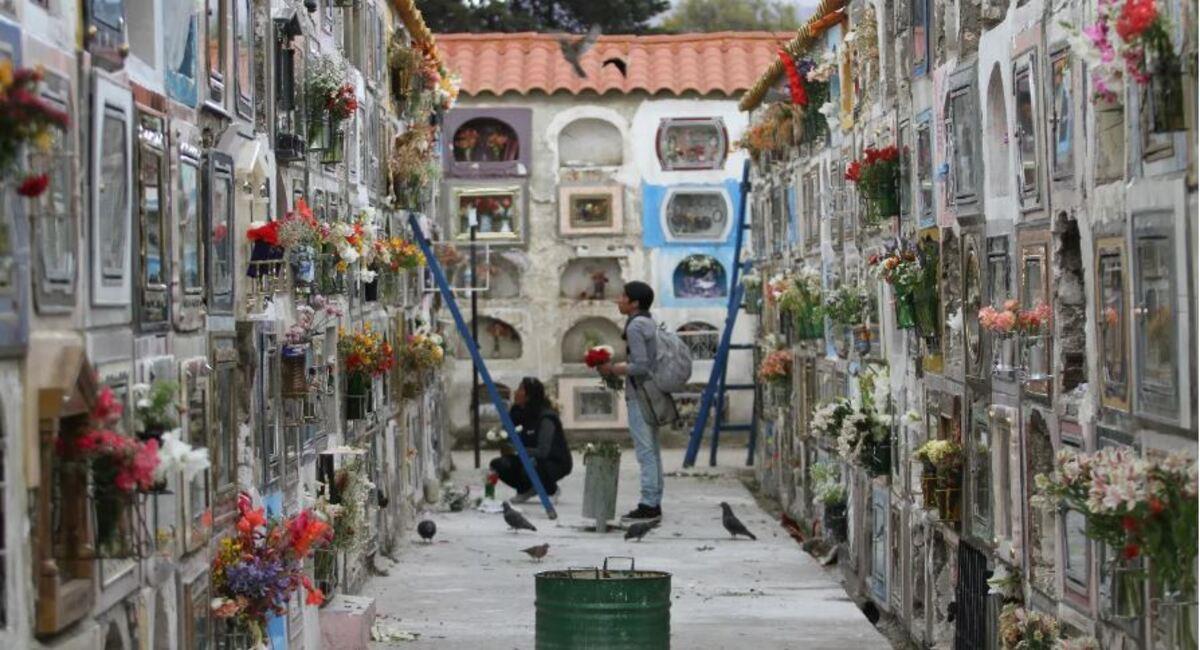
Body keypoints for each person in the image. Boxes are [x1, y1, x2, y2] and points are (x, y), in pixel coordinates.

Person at [598, 281, 669, 525]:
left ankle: (649, 504)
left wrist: (612, 368)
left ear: (635, 302)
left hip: (640, 394)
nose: (618, 300)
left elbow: (640, 365)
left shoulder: (636, 327)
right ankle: (654, 501)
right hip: (652, 392)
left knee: (645, 451)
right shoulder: (649, 321)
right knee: (653, 450)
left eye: (623, 296)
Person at [489, 377, 573, 503]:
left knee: (534, 465)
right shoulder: (517, 412)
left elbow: (543, 451)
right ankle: (525, 490)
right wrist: (499, 436)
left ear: (529, 396)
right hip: (527, 456)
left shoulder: (546, 418)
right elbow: (506, 431)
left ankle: (551, 489)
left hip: (553, 461)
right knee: (499, 464)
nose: (516, 392)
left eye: (520, 389)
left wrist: (519, 450)